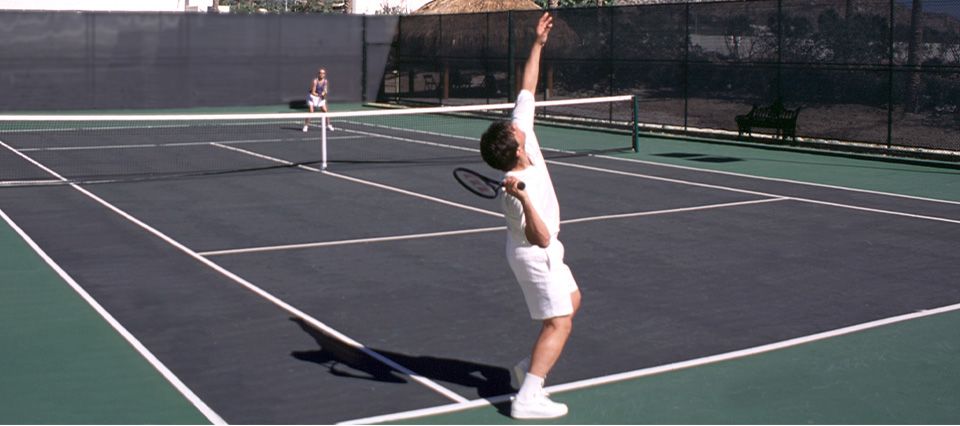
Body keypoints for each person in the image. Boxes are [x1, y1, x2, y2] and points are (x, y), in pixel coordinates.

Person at [478, 12, 581, 420]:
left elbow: (527, 87)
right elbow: (538, 237)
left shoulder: (521, 137)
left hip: (546, 249)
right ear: (516, 148)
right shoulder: (516, 192)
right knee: (560, 323)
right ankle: (527, 397)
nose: (517, 124)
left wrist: (538, 43)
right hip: (534, 253)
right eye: (514, 130)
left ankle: (526, 368)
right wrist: (524, 200)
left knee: (572, 302)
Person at [303, 68, 334, 132]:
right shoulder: (315, 81)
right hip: (312, 96)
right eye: (320, 73)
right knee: (311, 111)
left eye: (323, 73)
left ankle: (328, 125)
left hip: (320, 97)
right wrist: (320, 95)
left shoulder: (325, 81)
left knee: (325, 111)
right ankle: (306, 126)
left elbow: (325, 89)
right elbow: (313, 92)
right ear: (318, 74)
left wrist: (324, 92)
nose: (322, 74)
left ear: (324, 74)